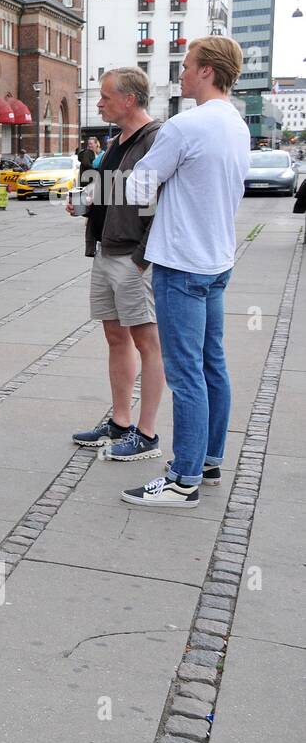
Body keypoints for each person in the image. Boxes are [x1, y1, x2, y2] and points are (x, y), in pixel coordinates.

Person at [121, 36, 251, 508]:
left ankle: (183, 478)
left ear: (207, 72)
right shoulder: (237, 125)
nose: (181, 72)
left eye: (188, 65)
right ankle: (209, 459)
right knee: (212, 363)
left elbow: (138, 189)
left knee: (185, 372)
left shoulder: (185, 126)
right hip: (217, 260)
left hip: (181, 263)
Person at [68, 67, 165, 461]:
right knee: (115, 336)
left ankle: (147, 433)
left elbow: (160, 203)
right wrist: (88, 203)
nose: (99, 102)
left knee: (147, 342)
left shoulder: (156, 139)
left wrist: (143, 259)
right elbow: (112, 191)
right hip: (107, 251)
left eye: (106, 96)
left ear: (130, 99)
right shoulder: (116, 141)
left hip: (133, 257)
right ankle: (120, 422)